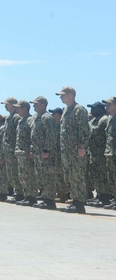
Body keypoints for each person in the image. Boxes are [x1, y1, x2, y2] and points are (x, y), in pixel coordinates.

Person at [57, 86, 90, 214]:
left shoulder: (79, 109)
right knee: (70, 177)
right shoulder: (66, 110)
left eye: (63, 95)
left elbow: (84, 129)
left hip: (76, 150)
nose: (61, 97)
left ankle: (79, 204)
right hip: (67, 151)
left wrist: (82, 146)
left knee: (78, 176)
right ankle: (75, 201)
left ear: (71, 95)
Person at [86, 101, 111, 207]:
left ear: (101, 109)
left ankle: (105, 197)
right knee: (95, 175)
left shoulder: (104, 119)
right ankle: (99, 195)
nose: (91, 110)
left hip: (101, 153)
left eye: (94, 108)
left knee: (102, 176)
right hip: (93, 153)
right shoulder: (94, 121)